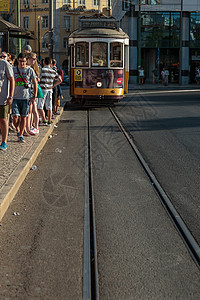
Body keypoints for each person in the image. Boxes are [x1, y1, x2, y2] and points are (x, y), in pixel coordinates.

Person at [12, 52, 38, 143]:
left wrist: (34, 96)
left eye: (23, 61)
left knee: (23, 117)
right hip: (15, 97)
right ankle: (17, 128)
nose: (22, 63)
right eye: (20, 61)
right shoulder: (13, 69)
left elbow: (35, 83)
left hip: (26, 98)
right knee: (15, 117)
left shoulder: (30, 70)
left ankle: (21, 134)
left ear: (26, 61)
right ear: (17, 61)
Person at [37, 57, 61, 125]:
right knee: (49, 106)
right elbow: (59, 80)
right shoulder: (53, 71)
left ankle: (44, 119)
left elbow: (38, 78)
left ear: (44, 62)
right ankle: (49, 120)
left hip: (43, 89)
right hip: (50, 89)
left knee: (40, 106)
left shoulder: (42, 70)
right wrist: (53, 85)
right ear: (51, 63)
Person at [0, 59, 15, 151]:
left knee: (3, 119)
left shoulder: (4, 63)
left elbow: (12, 79)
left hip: (3, 98)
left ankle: (4, 141)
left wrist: (11, 96)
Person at [26, 52, 40, 135]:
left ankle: (34, 127)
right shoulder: (32, 68)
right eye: (34, 59)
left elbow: (35, 81)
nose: (35, 61)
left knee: (32, 110)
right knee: (32, 110)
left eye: (35, 59)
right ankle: (31, 126)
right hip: (31, 91)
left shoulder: (32, 69)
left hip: (32, 91)